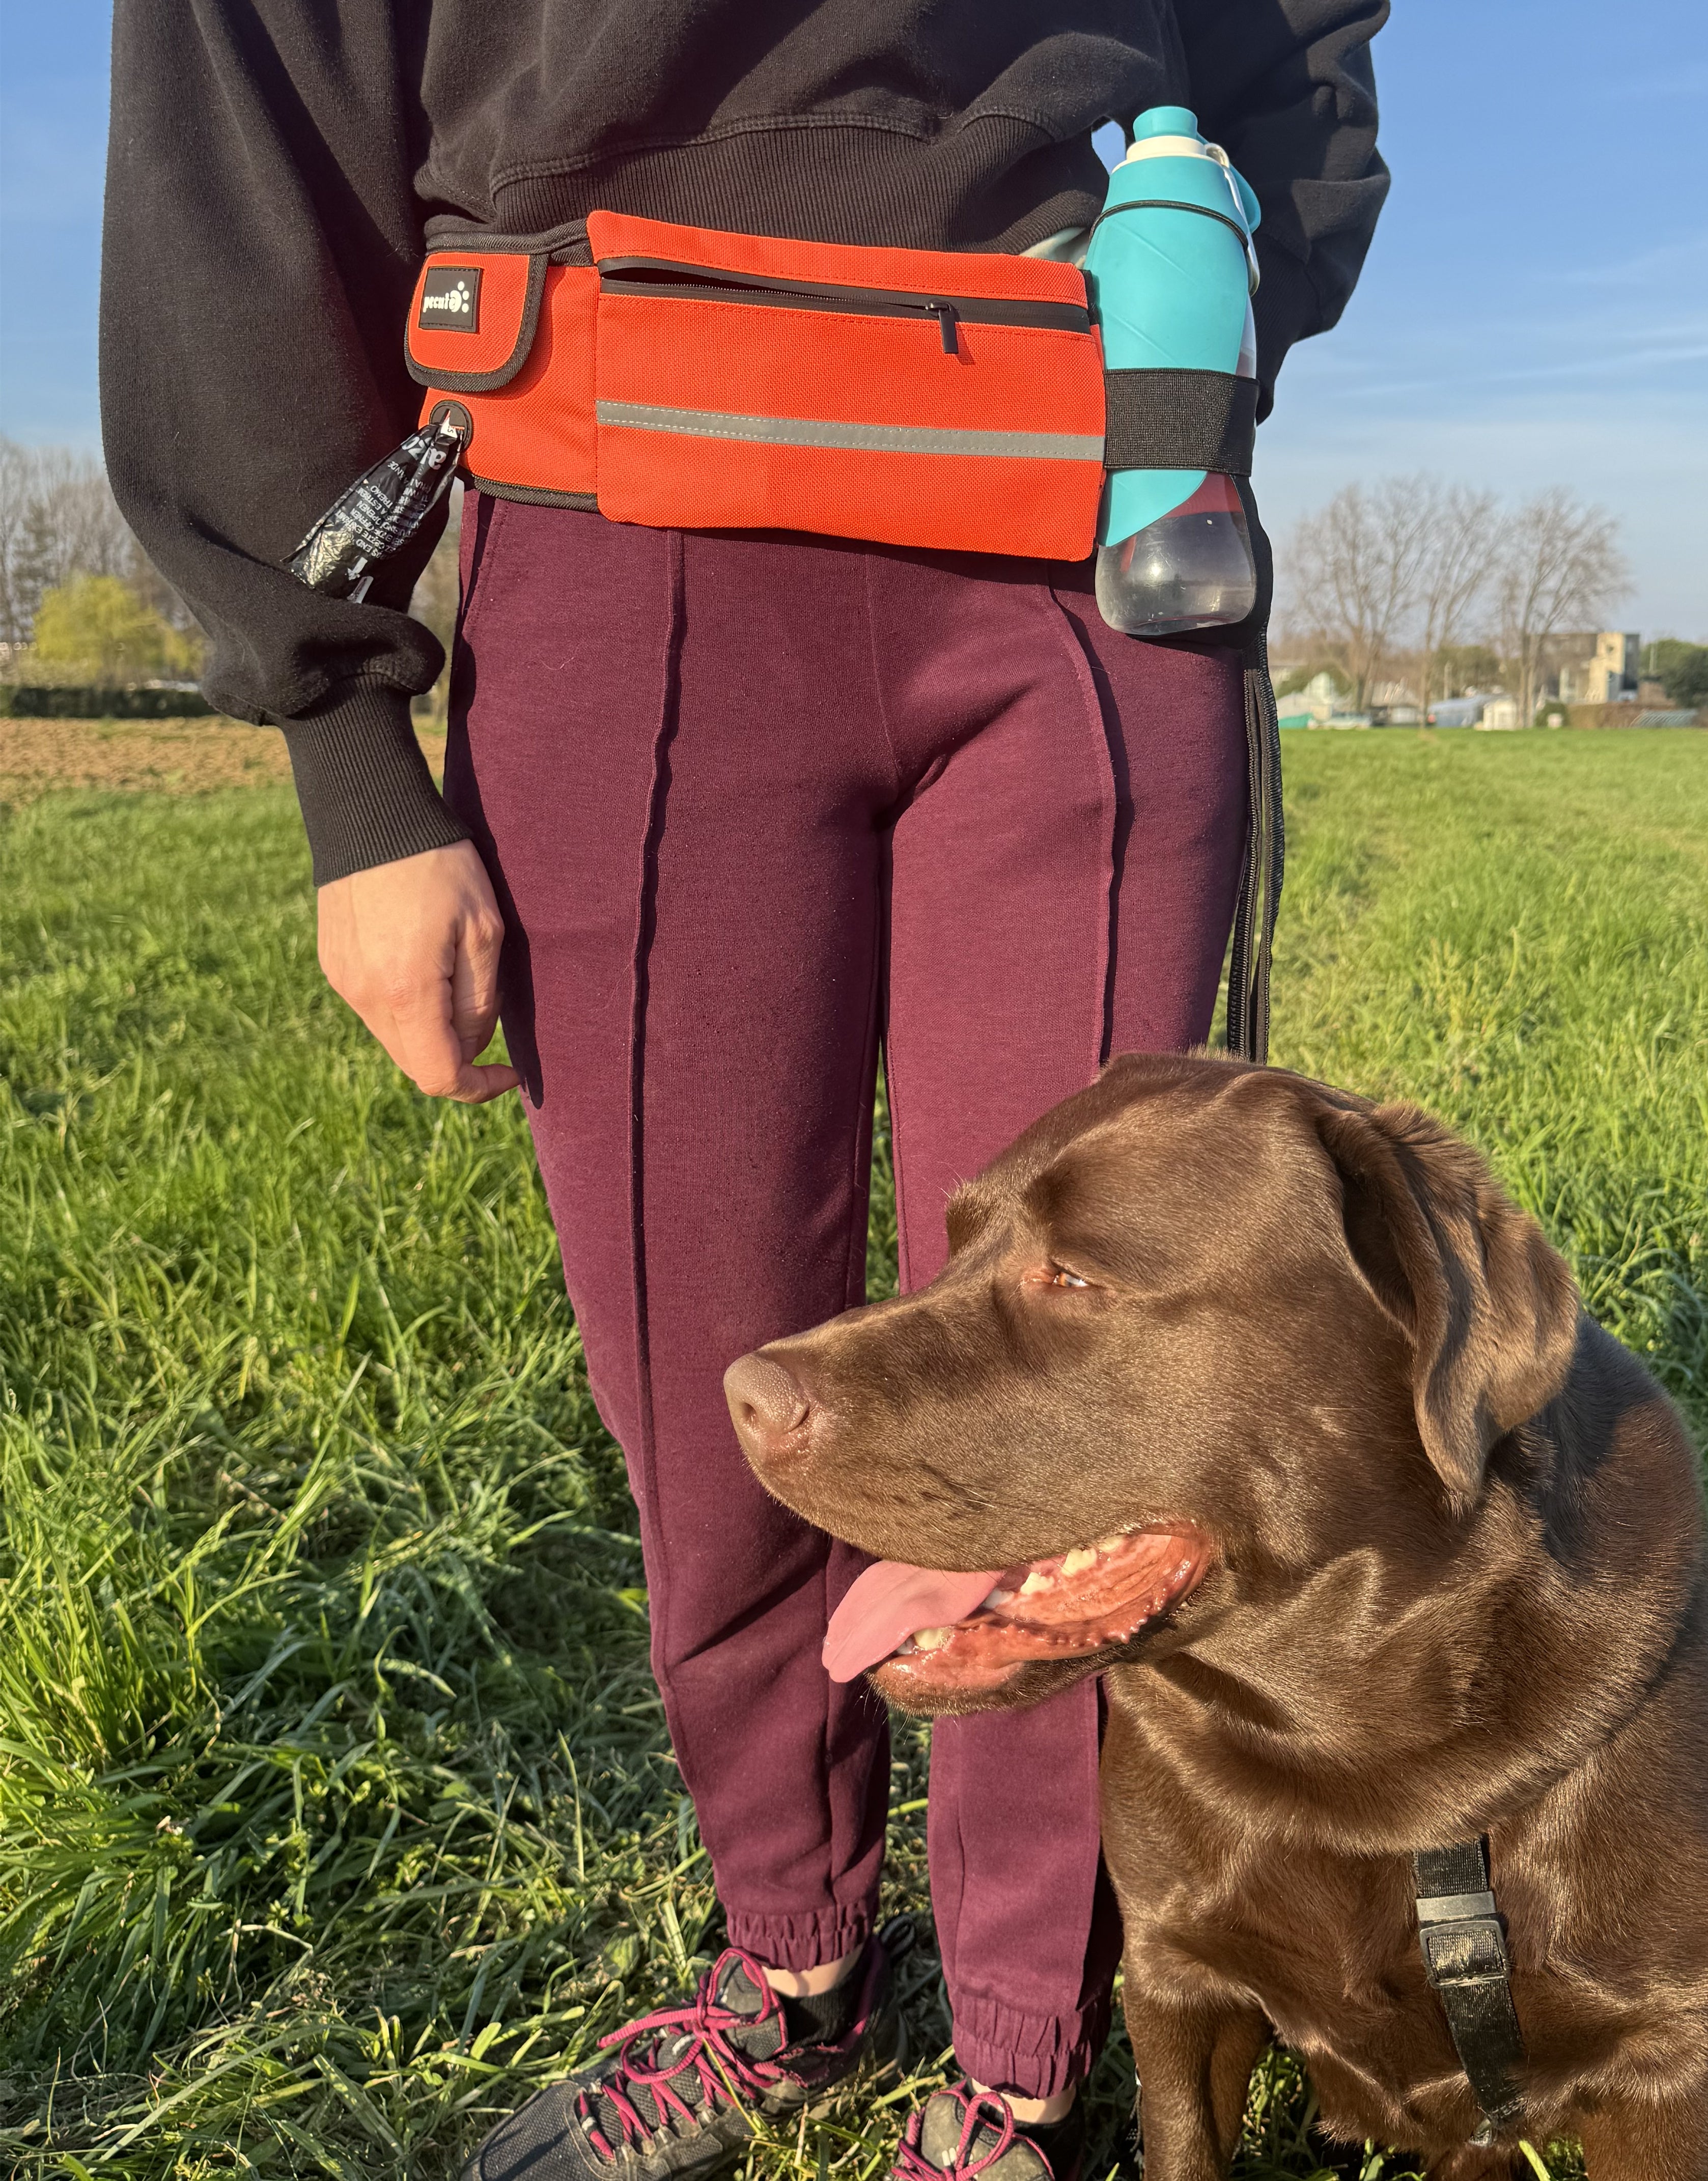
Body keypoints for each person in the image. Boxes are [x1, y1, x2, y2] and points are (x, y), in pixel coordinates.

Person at [101, 8, 1387, 2178]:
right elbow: (245, 86)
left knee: (1089, 1384)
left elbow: (1311, 33)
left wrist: (1226, 306)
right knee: (709, 1371)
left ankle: (1031, 2054)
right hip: (616, 529)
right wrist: (343, 754)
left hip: (1086, 527)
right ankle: (791, 1963)